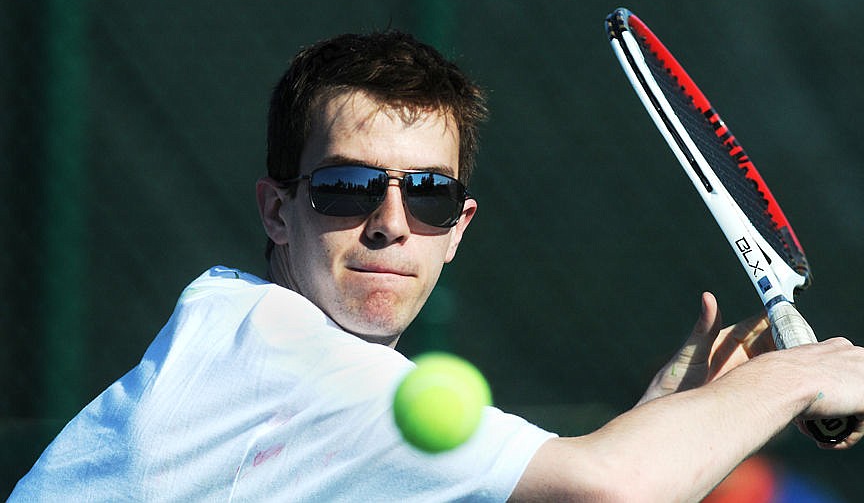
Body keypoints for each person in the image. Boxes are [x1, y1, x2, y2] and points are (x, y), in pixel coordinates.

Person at [11, 30, 864, 502]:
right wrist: (795, 378)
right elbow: (611, 487)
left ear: (458, 227)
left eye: (427, 197)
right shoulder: (274, 349)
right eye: (347, 188)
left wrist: (680, 415)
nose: (390, 224)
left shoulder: (326, 413)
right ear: (277, 209)